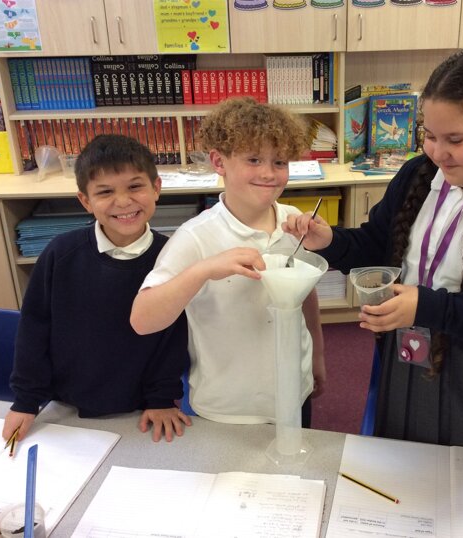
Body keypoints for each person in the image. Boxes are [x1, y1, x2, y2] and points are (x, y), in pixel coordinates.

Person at [284, 45, 463, 466]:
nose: (438, 153)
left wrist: (427, 306)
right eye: (430, 135)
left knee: (460, 478)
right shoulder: (418, 174)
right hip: (408, 354)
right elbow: (378, 245)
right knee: (400, 464)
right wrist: (330, 240)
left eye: (456, 139)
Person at [130, 97, 325, 426]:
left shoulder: (293, 222)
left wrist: (317, 356)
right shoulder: (195, 237)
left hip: (293, 390)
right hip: (227, 407)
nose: (268, 173)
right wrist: (204, 270)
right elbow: (142, 320)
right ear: (219, 162)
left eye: (279, 162)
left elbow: (305, 294)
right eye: (253, 159)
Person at [3, 134, 191, 444]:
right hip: (64, 406)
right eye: (105, 192)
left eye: (135, 187)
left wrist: (161, 397)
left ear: (156, 188)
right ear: (86, 201)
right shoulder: (60, 253)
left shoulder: (173, 258)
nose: (123, 202)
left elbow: (174, 337)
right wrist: (25, 401)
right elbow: (34, 329)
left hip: (142, 410)